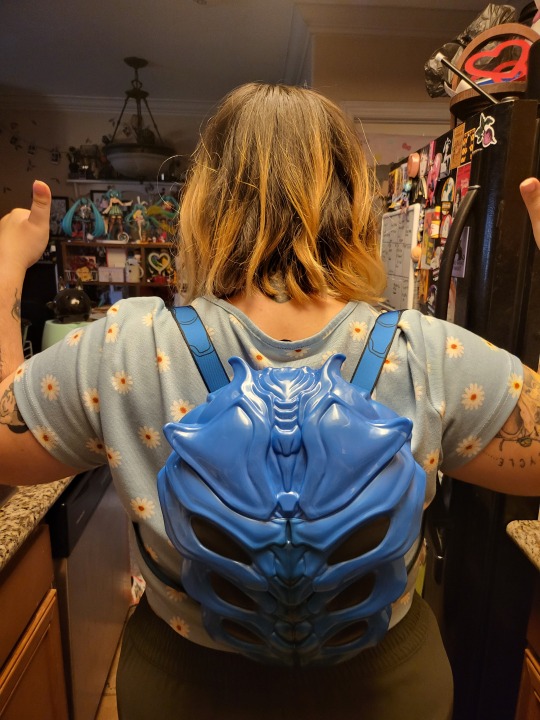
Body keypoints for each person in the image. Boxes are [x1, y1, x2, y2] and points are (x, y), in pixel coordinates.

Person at [1, 83, 539, 720]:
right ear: (355, 202)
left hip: (188, 689)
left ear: (204, 203)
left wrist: (7, 270)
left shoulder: (123, 347)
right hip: (384, 690)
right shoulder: (429, 353)